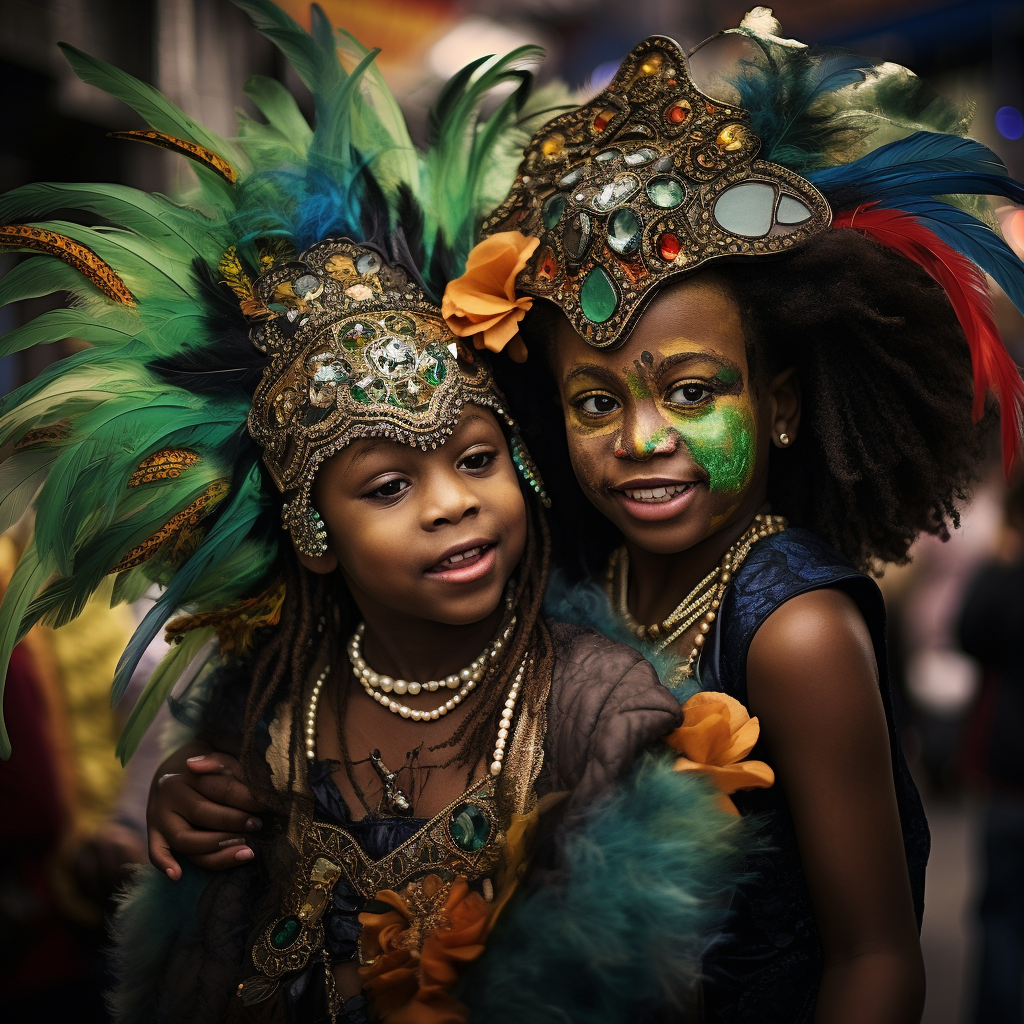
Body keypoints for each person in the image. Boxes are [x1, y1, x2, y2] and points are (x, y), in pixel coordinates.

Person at [0, 2, 752, 1022]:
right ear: (314, 530)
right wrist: (185, 841)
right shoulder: (264, 705)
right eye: (389, 485)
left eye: (476, 458)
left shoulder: (596, 708)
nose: (452, 506)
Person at [439, 10, 1024, 1023]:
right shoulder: (577, 585)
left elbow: (877, 960)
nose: (641, 438)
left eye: (693, 391)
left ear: (781, 405)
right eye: (595, 402)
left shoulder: (794, 632)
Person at [958, 475, 1024, 1024]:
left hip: (1009, 772)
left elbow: (968, 633)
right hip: (1007, 774)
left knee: (1002, 913)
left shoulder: (1006, 578)